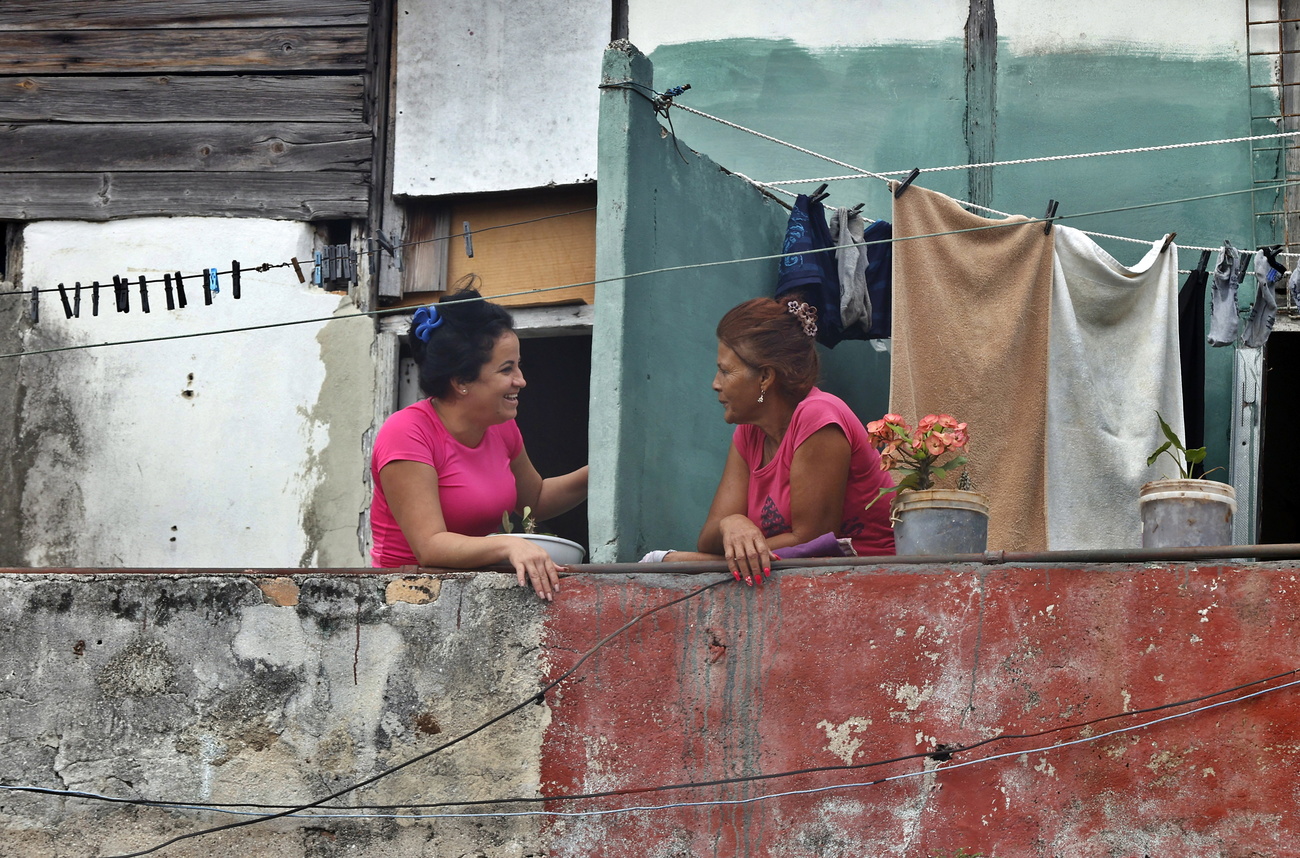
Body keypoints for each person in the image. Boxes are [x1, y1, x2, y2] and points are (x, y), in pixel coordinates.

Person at [369, 288, 588, 600]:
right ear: (461, 382)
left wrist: (603, 473)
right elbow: (430, 546)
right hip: (404, 600)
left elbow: (534, 500)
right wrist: (508, 544)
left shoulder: (502, 428)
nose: (521, 380)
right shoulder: (407, 432)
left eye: (518, 365)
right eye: (506, 369)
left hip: (467, 595)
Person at [659, 297, 895, 582]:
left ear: (765, 378)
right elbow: (708, 538)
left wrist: (706, 563)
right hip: (795, 584)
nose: (715, 383)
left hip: (869, 581)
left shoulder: (818, 417)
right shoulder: (749, 432)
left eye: (725, 370)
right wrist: (733, 524)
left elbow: (811, 543)